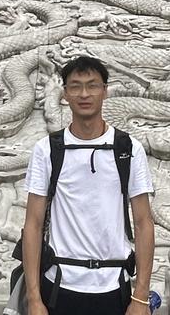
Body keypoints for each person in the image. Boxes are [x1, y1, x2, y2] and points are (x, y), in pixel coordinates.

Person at [21, 55, 154, 315]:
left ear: (105, 91)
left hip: (114, 288)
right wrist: (34, 299)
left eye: (92, 85)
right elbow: (33, 224)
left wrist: (140, 296)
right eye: (75, 86)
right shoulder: (47, 149)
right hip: (59, 286)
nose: (84, 93)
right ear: (65, 94)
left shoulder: (128, 149)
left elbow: (143, 222)